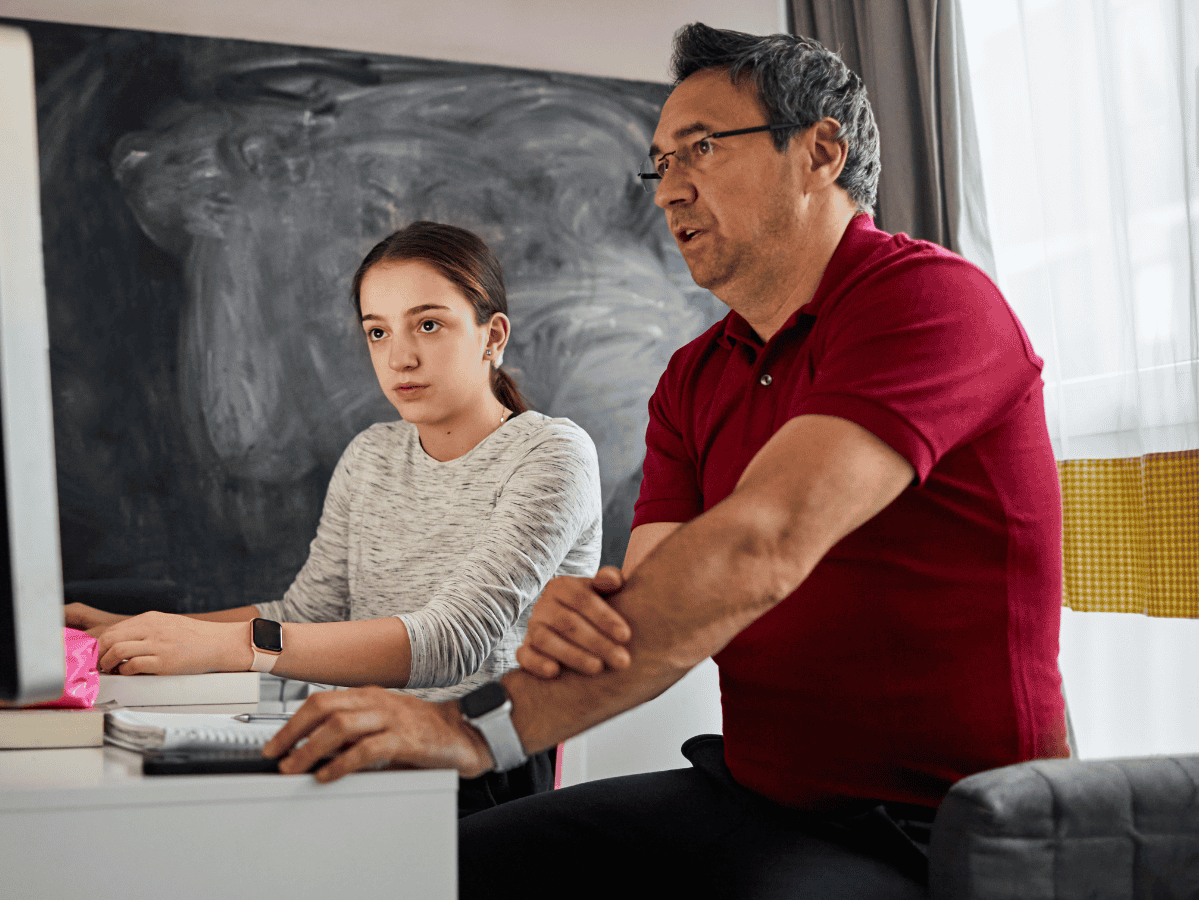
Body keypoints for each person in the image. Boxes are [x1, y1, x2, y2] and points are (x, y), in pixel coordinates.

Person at [262, 24, 1069, 898]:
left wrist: (471, 730)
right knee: (439, 873)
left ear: (821, 152)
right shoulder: (694, 376)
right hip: (757, 792)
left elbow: (763, 543)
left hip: (934, 825)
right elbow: (650, 615)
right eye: (660, 163)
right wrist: (593, 613)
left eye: (701, 149)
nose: (668, 189)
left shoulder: (928, 300)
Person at [66, 220, 603, 814]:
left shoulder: (552, 453)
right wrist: (137, 628)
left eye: (429, 324)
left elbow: (452, 642)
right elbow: (305, 615)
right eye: (378, 332)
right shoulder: (372, 454)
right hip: (353, 743)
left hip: (477, 766)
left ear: (492, 335)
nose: (400, 356)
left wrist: (227, 645)